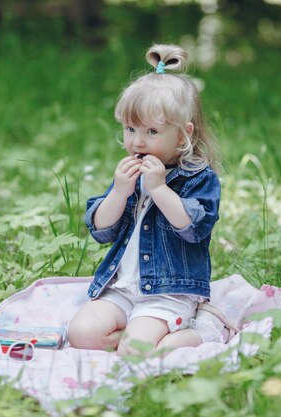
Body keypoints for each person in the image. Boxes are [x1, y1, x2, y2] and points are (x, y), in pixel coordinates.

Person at [68, 44, 228, 356]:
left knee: (134, 350)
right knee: (80, 333)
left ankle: (202, 331)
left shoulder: (198, 178)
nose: (137, 141)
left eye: (152, 131)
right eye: (130, 129)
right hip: (122, 287)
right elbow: (101, 229)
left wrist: (159, 190)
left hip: (168, 291)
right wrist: (119, 192)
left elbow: (194, 228)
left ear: (182, 135)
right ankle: (139, 334)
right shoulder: (130, 175)